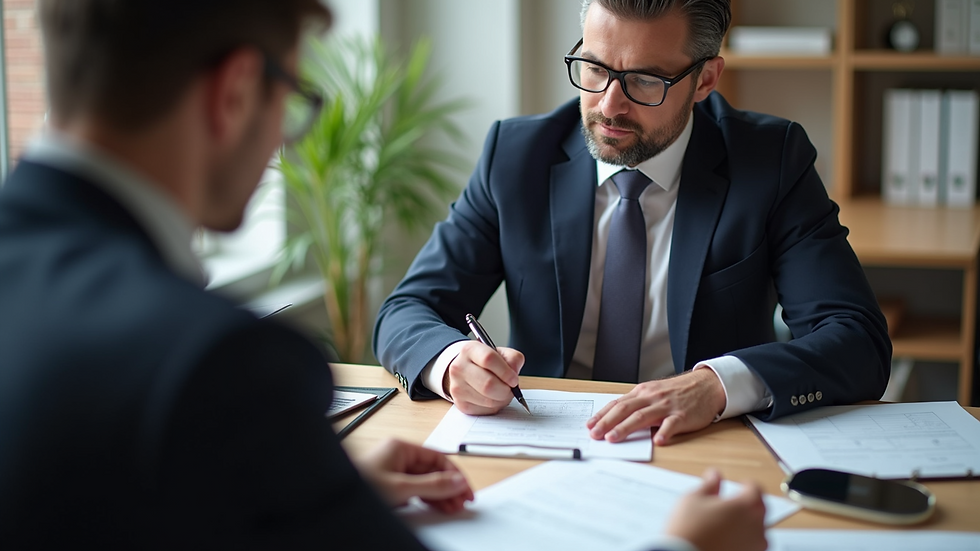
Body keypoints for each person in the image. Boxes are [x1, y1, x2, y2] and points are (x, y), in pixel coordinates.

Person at [0, 1, 767, 551]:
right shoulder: (224, 371)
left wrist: (310, 481)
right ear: (235, 92)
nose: (282, 141)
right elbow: (414, 305)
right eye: (294, 100)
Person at [374, 0, 892, 447]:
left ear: (705, 79)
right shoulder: (515, 156)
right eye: (595, 68)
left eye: (645, 79)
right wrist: (448, 362)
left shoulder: (770, 162)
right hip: (543, 439)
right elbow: (407, 310)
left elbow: (858, 341)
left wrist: (716, 384)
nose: (609, 104)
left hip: (703, 445)